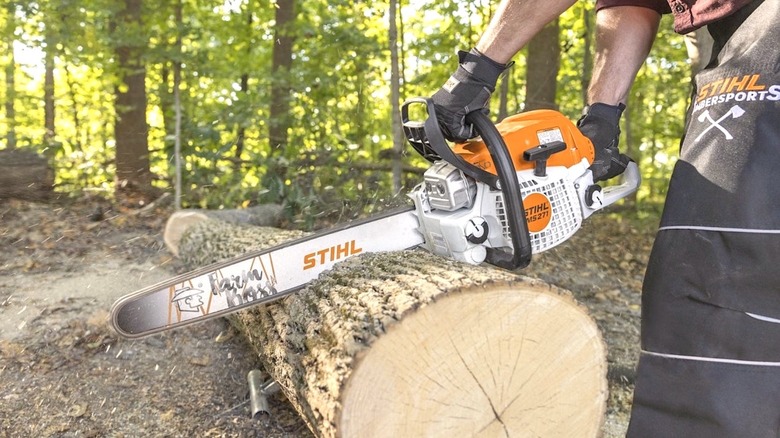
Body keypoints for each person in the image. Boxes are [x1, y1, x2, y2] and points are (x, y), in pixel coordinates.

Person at [432, 0, 780, 436]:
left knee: (711, 277)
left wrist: (476, 70)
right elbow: (631, 3)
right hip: (735, 34)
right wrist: (601, 119)